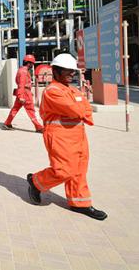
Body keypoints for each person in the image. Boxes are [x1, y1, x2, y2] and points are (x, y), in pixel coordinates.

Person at [26, 54, 107, 220]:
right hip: (59, 135)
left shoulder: (72, 90)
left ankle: (80, 203)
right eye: (67, 71)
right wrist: (80, 108)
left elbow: (86, 109)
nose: (71, 74)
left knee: (79, 170)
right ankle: (36, 182)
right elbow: (77, 110)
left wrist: (80, 108)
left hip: (78, 135)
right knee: (63, 170)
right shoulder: (52, 91)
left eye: (73, 71)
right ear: (55, 71)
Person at [3, 55, 43, 132]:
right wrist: (21, 96)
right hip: (25, 93)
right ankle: (38, 127)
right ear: (29, 63)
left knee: (15, 109)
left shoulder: (20, 70)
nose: (32, 66)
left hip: (22, 92)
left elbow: (19, 83)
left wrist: (20, 94)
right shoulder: (24, 71)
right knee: (31, 110)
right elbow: (21, 84)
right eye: (32, 64)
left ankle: (7, 123)